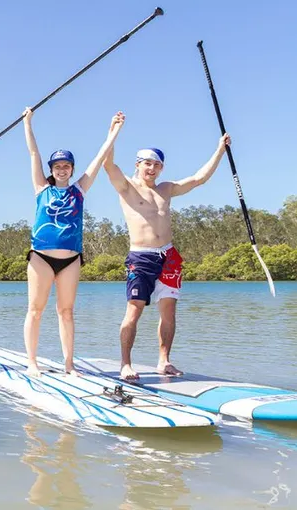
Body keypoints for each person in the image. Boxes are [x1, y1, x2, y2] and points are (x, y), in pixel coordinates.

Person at [102, 117, 231, 381]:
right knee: (135, 308)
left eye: (157, 165)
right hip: (142, 256)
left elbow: (199, 179)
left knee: (169, 311)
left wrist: (220, 149)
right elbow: (107, 163)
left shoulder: (166, 189)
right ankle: (126, 363)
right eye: (147, 163)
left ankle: (164, 361)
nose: (152, 168)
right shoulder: (126, 186)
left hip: (169, 256)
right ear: (138, 165)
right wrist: (113, 131)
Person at [22, 107, 126, 377]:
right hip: (41, 257)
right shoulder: (41, 189)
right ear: (52, 169)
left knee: (66, 312)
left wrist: (113, 130)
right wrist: (28, 122)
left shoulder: (80, 189)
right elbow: (33, 153)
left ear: (71, 169)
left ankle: (69, 365)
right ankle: (32, 362)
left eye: (66, 166)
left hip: (70, 259)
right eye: (57, 166)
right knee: (35, 310)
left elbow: (100, 155)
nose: (62, 169)